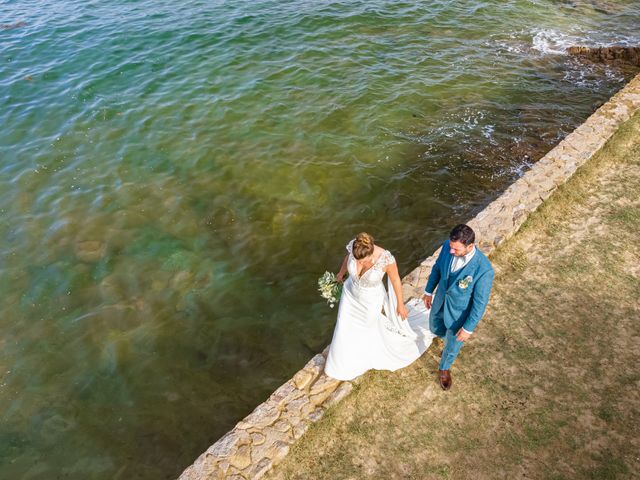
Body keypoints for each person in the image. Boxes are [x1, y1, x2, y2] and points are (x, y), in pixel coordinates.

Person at [325, 232, 435, 381]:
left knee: (365, 328)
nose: (360, 264)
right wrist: (340, 273)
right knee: (344, 325)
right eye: (358, 261)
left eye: (363, 261)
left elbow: (395, 280)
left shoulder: (386, 259)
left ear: (371, 252)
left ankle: (361, 357)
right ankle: (340, 361)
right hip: (350, 295)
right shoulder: (355, 246)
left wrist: (400, 305)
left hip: (370, 302)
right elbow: (347, 258)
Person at [423, 224, 494, 390]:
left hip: (459, 314)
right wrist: (428, 291)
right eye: (450, 247)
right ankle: (445, 340)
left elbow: (480, 303)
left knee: (453, 344)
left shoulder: (484, 269)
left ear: (470, 246)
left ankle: (444, 368)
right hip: (440, 301)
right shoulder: (448, 247)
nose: (451, 252)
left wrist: (468, 328)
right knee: (435, 326)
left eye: (456, 249)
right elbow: (437, 269)